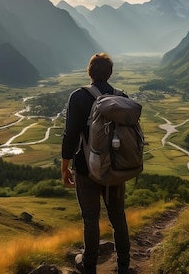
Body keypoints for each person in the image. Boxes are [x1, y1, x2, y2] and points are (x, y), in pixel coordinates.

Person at [61, 53, 131, 274]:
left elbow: (70, 135)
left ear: (89, 72)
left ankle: (89, 263)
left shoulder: (78, 97)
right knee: (118, 217)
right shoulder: (121, 97)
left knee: (91, 217)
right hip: (115, 169)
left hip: (86, 169)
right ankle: (123, 264)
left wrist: (65, 166)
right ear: (110, 74)